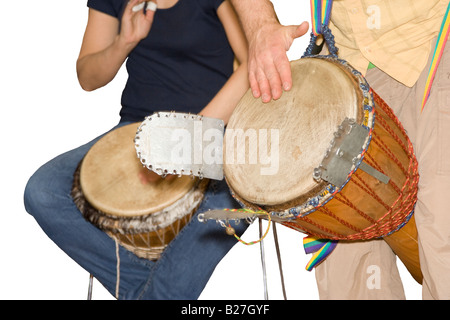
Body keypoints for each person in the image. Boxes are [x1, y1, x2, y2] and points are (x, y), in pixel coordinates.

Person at [24, 0, 249, 299]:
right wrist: (123, 42)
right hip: (137, 131)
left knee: (237, 193)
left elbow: (253, 64)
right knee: (43, 191)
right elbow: (87, 77)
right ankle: (153, 290)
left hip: (212, 130)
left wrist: (186, 138)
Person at [230, 0, 449, 299]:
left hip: (432, 37)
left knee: (442, 223)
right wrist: (260, 26)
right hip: (347, 53)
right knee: (346, 270)